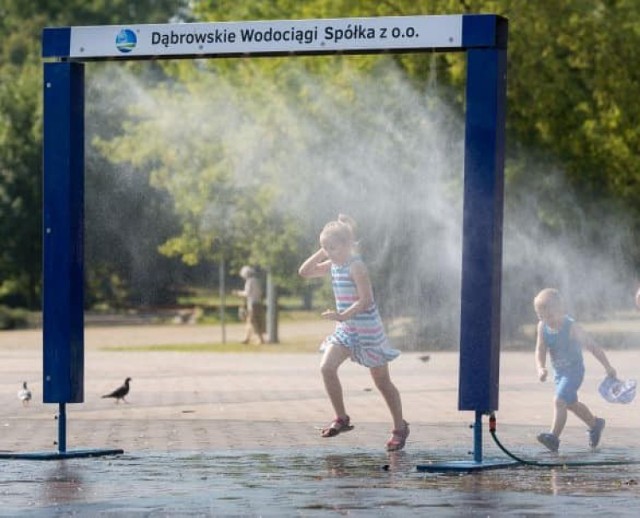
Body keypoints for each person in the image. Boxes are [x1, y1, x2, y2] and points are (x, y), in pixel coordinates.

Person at [298, 214, 409, 452]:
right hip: (346, 330)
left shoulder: (356, 266)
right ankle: (341, 418)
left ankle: (400, 428)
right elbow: (304, 272)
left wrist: (342, 315)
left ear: (348, 245)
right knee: (326, 367)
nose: (329, 252)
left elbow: (366, 299)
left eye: (333, 247)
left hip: (367, 330)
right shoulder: (333, 263)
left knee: (382, 382)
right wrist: (323, 251)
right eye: (325, 247)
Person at [533, 288, 617, 453]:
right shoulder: (542, 327)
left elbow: (592, 346)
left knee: (559, 401)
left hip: (574, 372)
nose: (546, 320)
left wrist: (608, 366)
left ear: (561, 310)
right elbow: (540, 349)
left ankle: (553, 438)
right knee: (570, 404)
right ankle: (595, 424)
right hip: (559, 373)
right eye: (541, 316)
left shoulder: (571, 327)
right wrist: (540, 367)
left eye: (550, 316)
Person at [234, 266, 265, 345]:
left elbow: (247, 293)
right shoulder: (257, 281)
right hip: (258, 302)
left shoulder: (249, 282)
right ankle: (248, 338)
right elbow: (260, 292)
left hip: (252, 304)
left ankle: (259, 339)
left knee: (252, 322)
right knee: (253, 321)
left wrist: (238, 293)